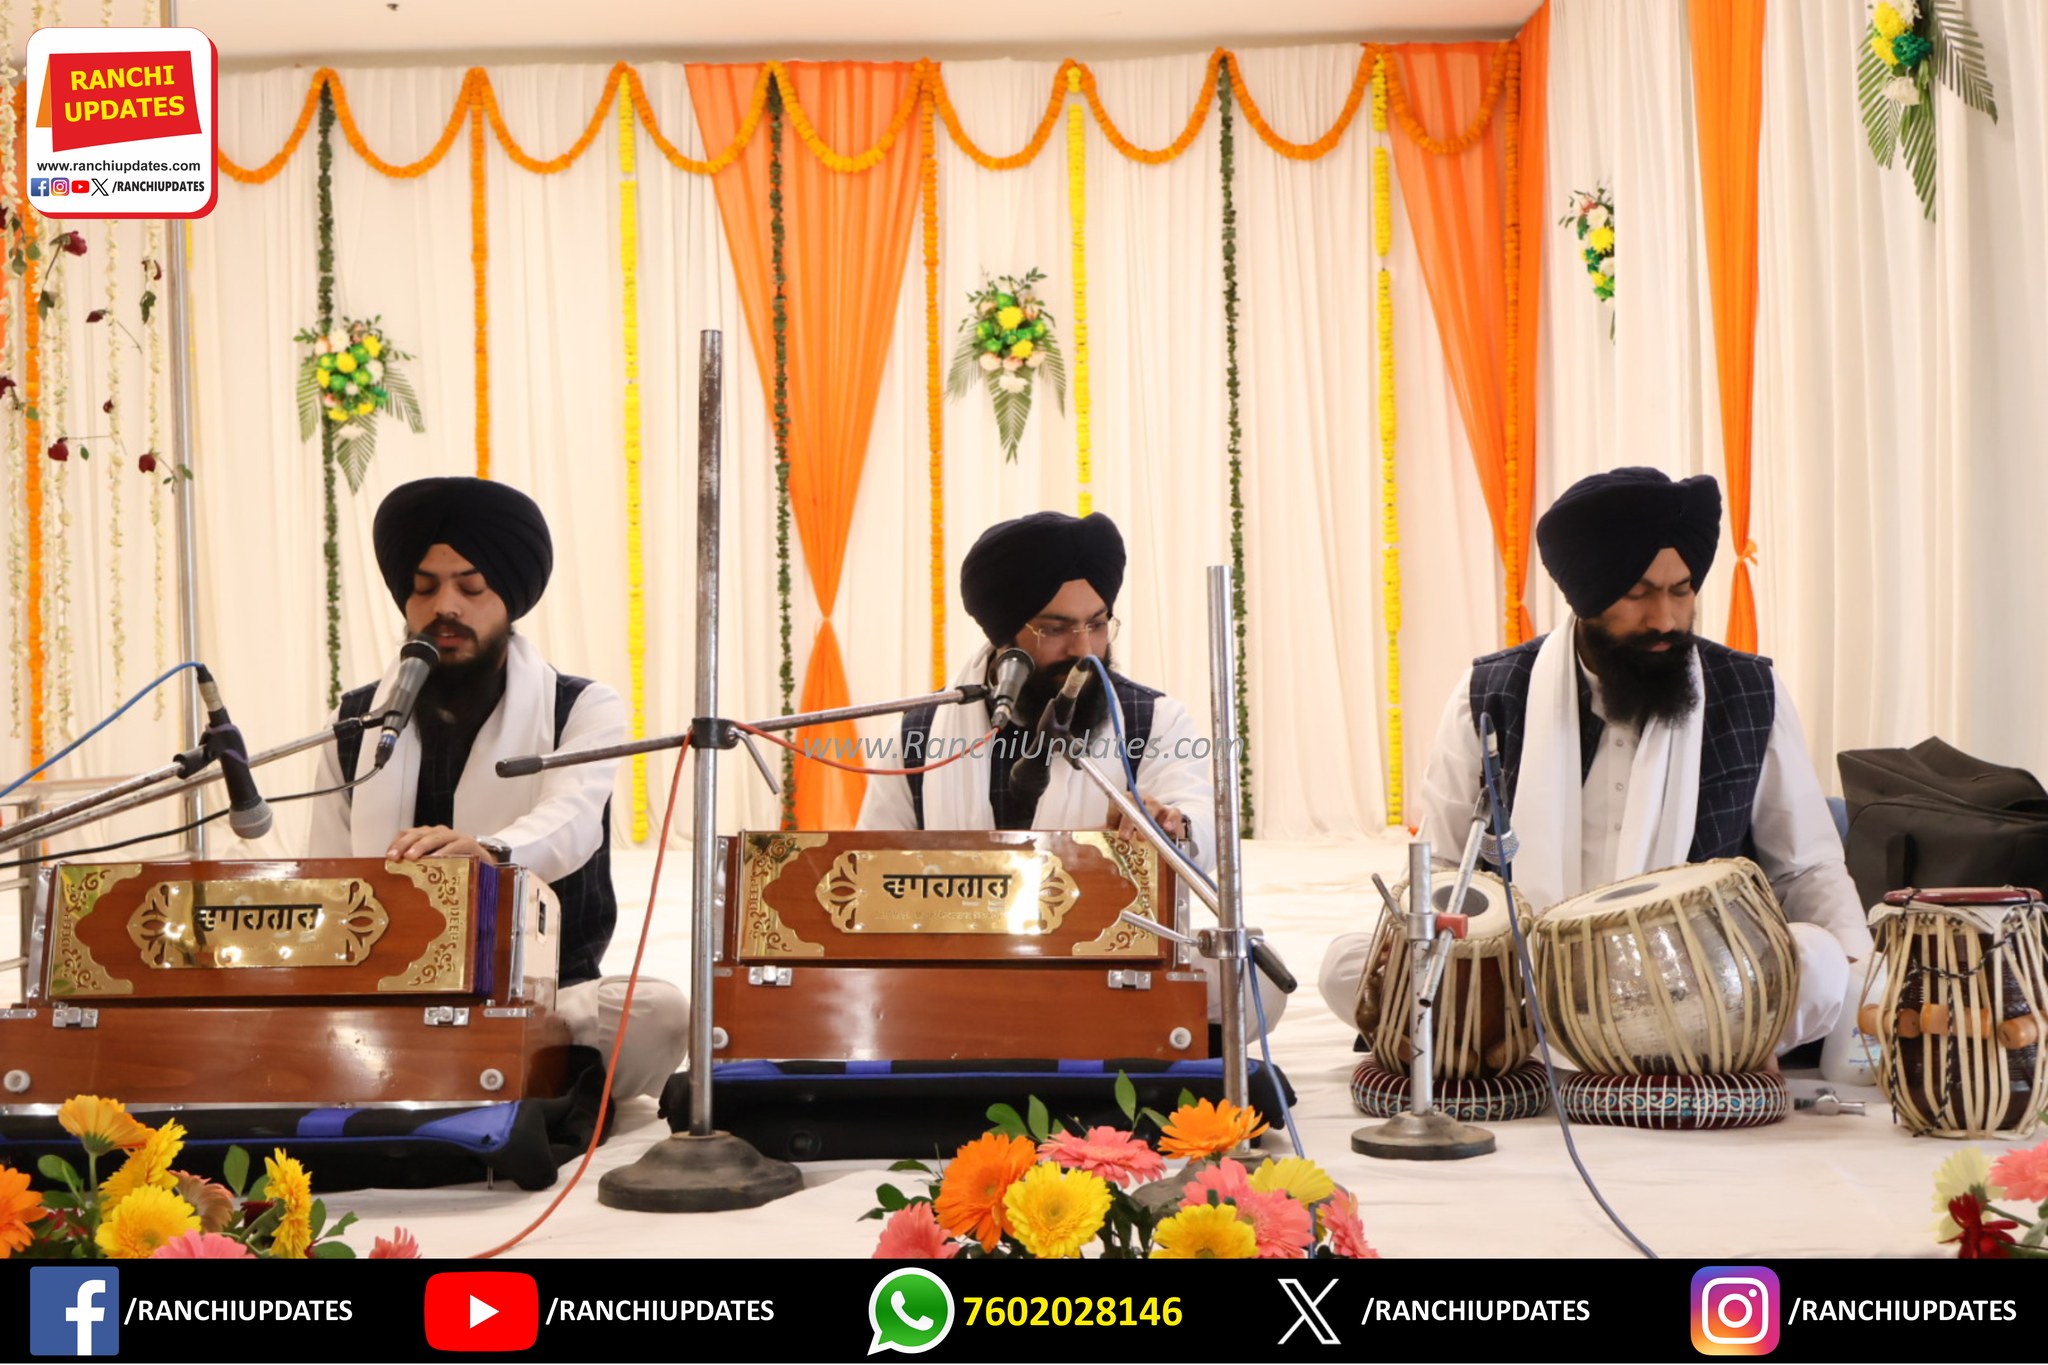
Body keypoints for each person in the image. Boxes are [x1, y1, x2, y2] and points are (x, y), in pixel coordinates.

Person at [1317, 467, 1870, 1053]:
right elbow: (1446, 866)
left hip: (1697, 987)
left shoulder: (1749, 690)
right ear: (1587, 596)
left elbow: (1806, 868)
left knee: (1820, 959)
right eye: (1638, 595)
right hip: (1530, 982)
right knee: (1344, 966)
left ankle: (1553, 1051)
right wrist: (1417, 946)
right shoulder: (1492, 692)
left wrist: (1865, 988)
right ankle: (1553, 1042)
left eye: (1681, 591)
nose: (1664, 619)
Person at [307, 476, 684, 1098]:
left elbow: (571, 820)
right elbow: (325, 872)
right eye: (424, 588)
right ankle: (514, 1089)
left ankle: (477, 1079)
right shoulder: (357, 723)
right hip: (388, 996)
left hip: (545, 997)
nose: (445, 607)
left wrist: (491, 853)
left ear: (508, 598)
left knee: (660, 1014)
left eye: (471, 587)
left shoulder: (579, 707)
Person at [859, 509, 1285, 1025]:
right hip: (955, 955)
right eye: (1055, 628)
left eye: (1097, 624)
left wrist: (1170, 825)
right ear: (1004, 636)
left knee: (1252, 984)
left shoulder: (1152, 718)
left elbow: (1198, 817)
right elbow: (872, 866)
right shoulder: (924, 731)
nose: (1084, 649)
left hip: (1106, 956)